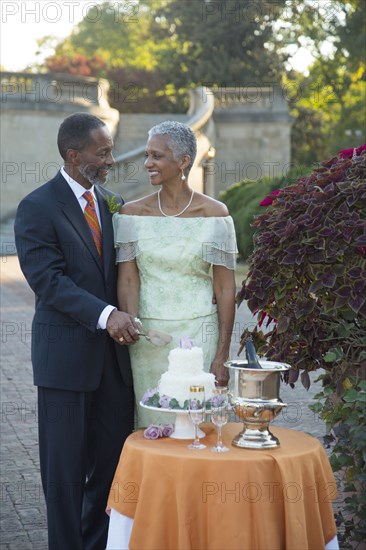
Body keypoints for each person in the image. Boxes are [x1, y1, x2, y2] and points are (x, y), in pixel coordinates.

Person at [14, 112, 139, 550]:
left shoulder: (113, 202)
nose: (110, 159)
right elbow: (48, 280)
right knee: (64, 475)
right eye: (102, 152)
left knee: (112, 466)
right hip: (64, 363)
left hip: (113, 367)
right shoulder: (36, 207)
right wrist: (107, 315)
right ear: (73, 155)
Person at [113, 120, 238, 427]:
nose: (147, 163)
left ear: (183, 161)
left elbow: (224, 290)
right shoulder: (131, 215)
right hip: (147, 340)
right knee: (150, 423)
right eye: (147, 155)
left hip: (199, 337)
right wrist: (135, 328)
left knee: (197, 425)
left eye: (157, 156)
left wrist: (221, 355)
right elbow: (129, 280)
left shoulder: (215, 215)